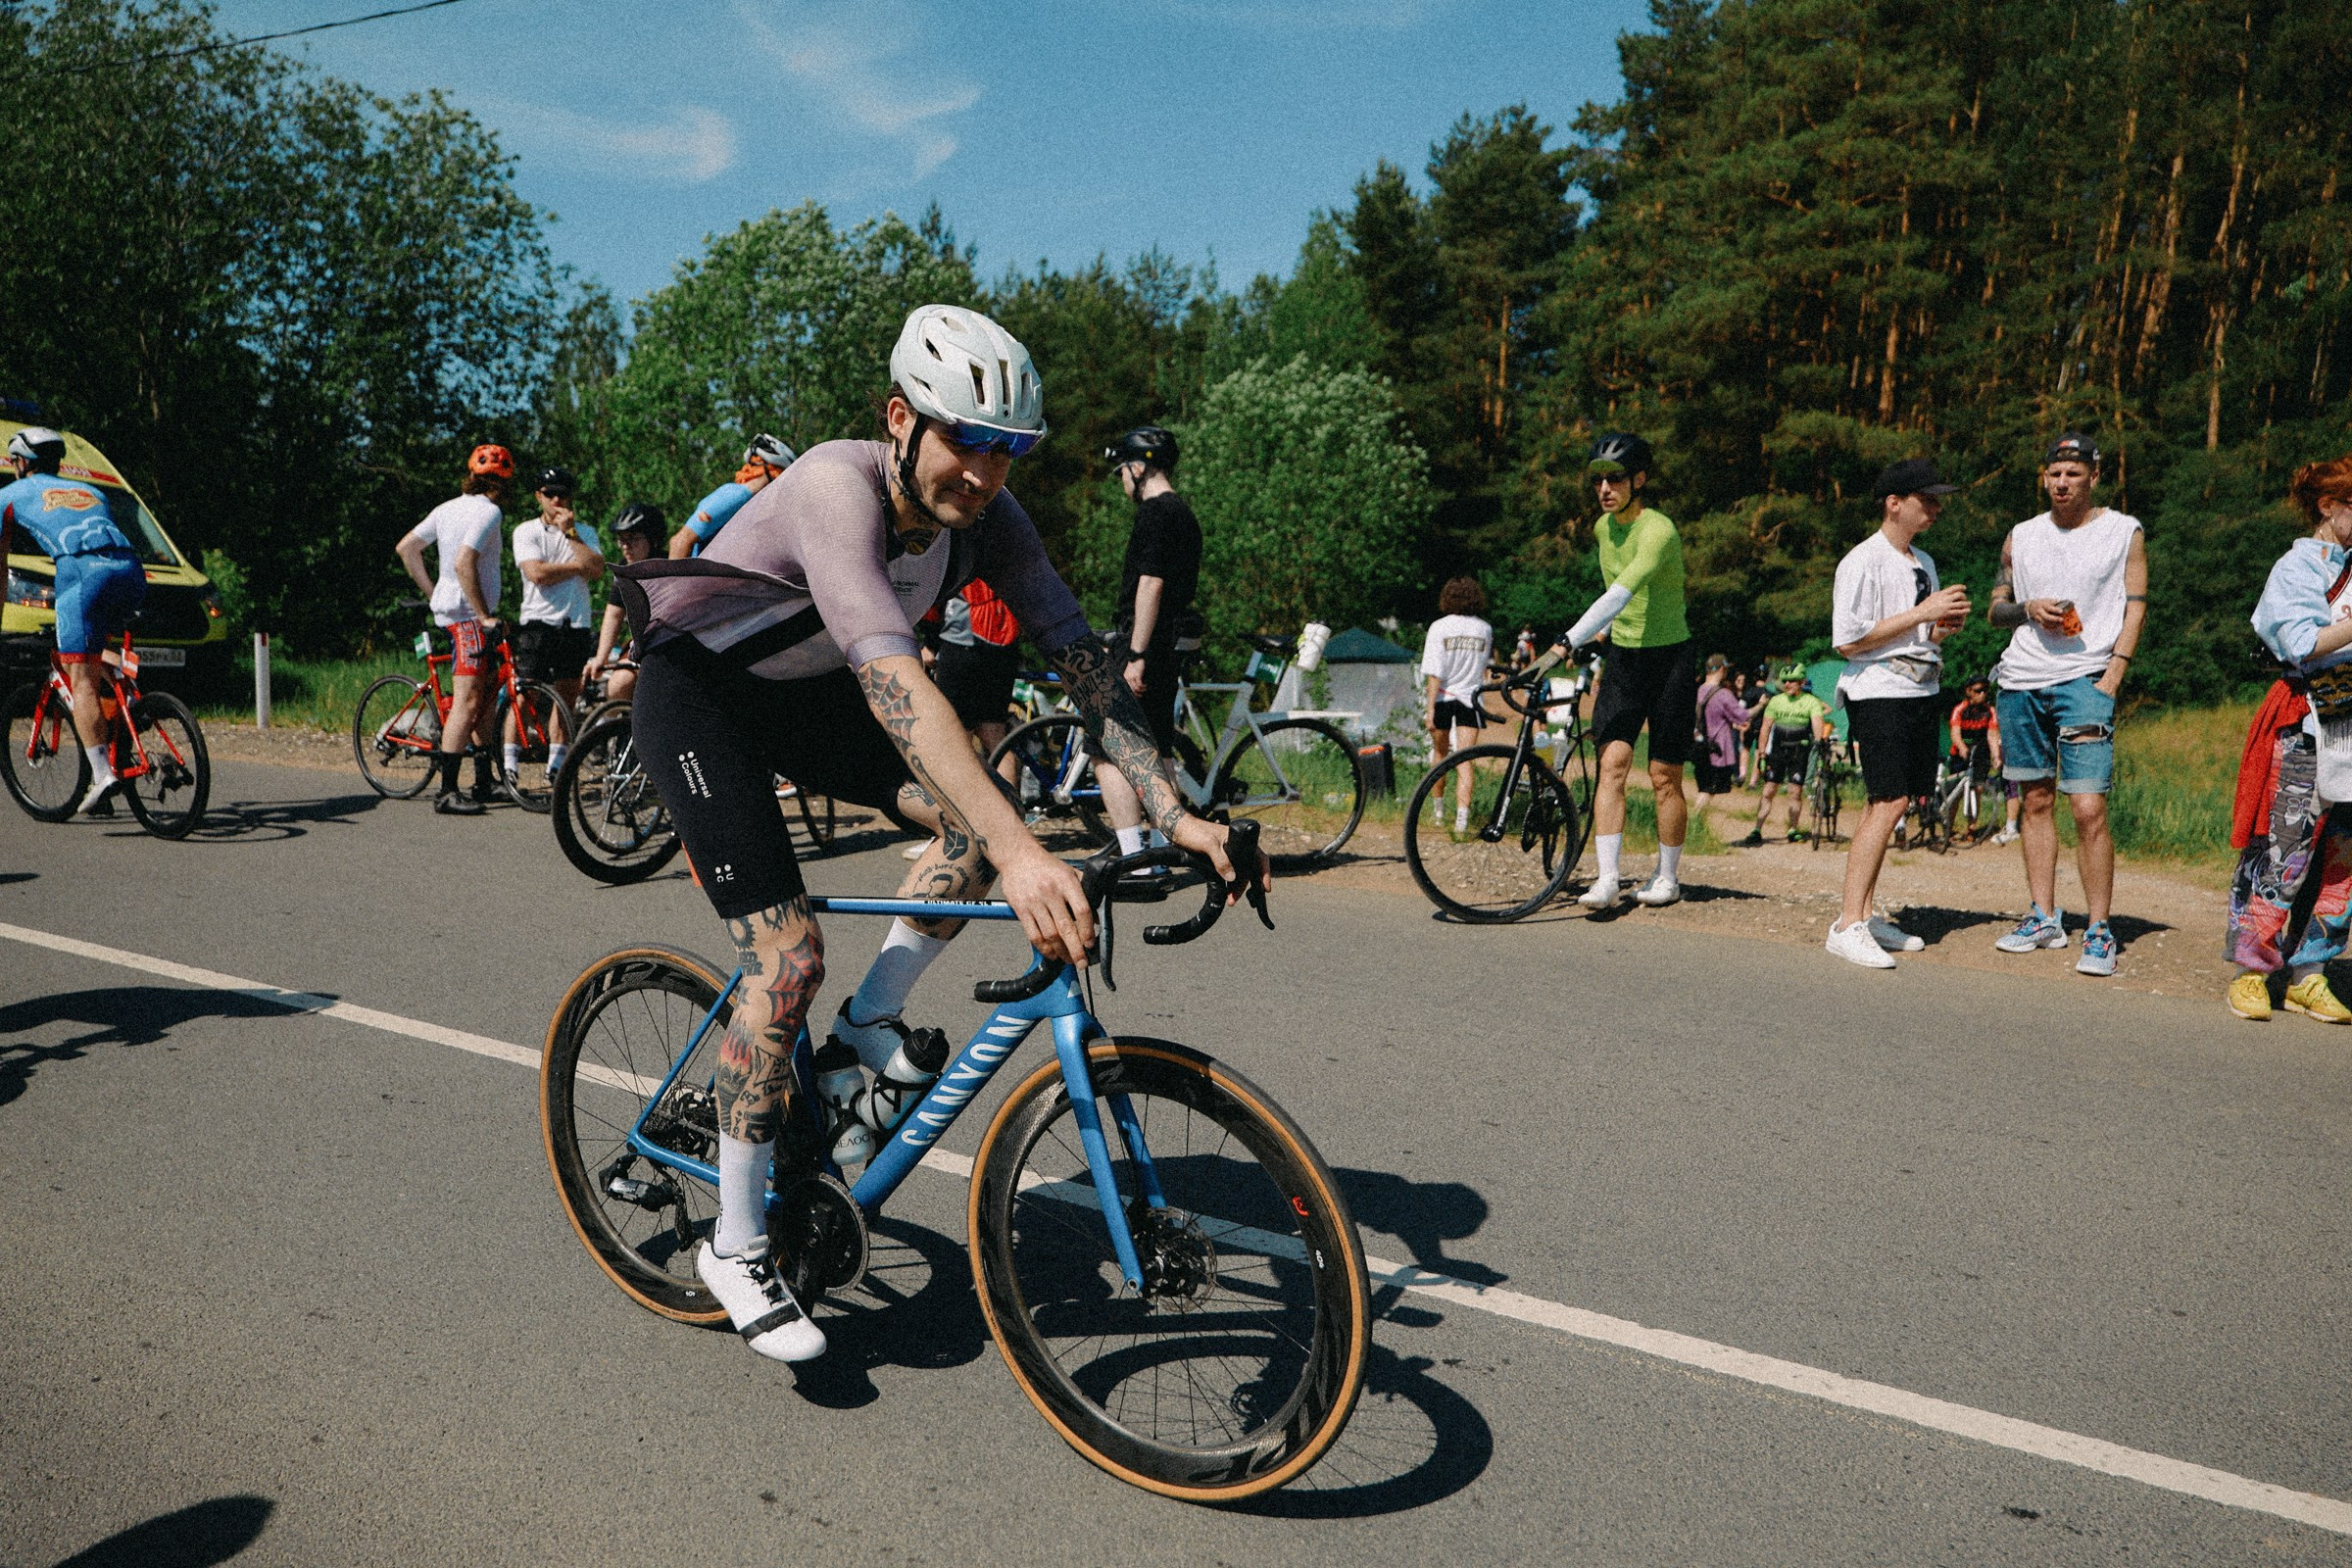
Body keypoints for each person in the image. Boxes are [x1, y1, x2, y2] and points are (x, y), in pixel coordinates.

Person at [614, 304, 1253, 1364]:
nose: (986, 473)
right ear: (901, 419)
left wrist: (1181, 813)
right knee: (786, 957)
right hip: (704, 700)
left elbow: (1086, 665)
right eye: (967, 440)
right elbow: (897, 681)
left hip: (808, 703)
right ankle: (733, 1245)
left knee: (970, 824)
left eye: (1010, 452)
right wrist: (1021, 851)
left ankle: (871, 1021)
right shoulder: (833, 485)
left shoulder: (990, 522)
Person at [1985, 433, 2147, 977]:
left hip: (2086, 680)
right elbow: (1996, 610)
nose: (2061, 483)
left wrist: (2113, 677)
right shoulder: (2020, 536)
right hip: (2022, 679)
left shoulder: (2123, 531)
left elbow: (2137, 604)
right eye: (2054, 473)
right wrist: (2027, 607)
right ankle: (2044, 917)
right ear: (2044, 476)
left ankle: (2099, 928)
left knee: (2087, 808)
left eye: (2073, 474)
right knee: (2034, 801)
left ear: (2094, 477)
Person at [1824, 459, 1971, 968]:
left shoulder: (1923, 562)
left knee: (1893, 801)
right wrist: (1923, 614)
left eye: (1937, 499)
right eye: (1925, 499)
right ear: (1893, 502)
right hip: (1878, 690)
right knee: (1887, 802)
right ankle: (1847, 924)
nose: (1935, 508)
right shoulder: (1860, 561)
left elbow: (1918, 633)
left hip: (1920, 688)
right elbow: (1847, 640)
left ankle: (1864, 914)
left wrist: (1940, 627)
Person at [1543, 433, 1694, 908]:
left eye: (1616, 478)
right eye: (1599, 480)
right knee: (1612, 764)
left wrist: (1570, 637)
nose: (1605, 487)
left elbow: (1620, 593)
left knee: (1664, 775)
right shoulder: (1603, 530)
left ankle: (1667, 877)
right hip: (1625, 658)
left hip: (1670, 658)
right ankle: (1607, 878)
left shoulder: (1659, 530)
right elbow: (1613, 603)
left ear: (1640, 480)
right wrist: (1599, 635)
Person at [2227, 455, 2352, 1022]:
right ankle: (2253, 970)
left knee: (2345, 854)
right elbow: (2301, 641)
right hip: (2309, 717)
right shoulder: (2298, 567)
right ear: (2330, 506)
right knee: (2287, 846)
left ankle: (2311, 972)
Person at [0, 426, 146, 813]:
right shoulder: (93, 492)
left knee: (78, 674)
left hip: (81, 573)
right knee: (99, 655)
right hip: (131, 569)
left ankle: (102, 775)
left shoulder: (8, 496)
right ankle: (130, 700)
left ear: (21, 463)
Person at [1094, 424, 1201, 858]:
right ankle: (1162, 848)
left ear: (1139, 467)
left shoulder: (1155, 513)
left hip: (1145, 644)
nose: (1122, 478)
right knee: (1157, 753)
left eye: (1122, 468)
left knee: (1108, 750)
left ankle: (1136, 858)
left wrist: (1134, 654)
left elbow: (1150, 585)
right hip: (1169, 645)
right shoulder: (1185, 515)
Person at [395, 445, 512, 815]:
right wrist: (483, 615)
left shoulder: (446, 508)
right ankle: (446, 791)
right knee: (469, 701)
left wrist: (434, 594)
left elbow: (407, 548)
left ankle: (483, 780)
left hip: (455, 612)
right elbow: (465, 564)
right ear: (503, 484)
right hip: (468, 617)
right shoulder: (490, 512)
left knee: (487, 695)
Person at [509, 465, 603, 778]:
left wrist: (571, 534)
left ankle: (556, 766)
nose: (558, 500)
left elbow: (596, 569)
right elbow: (536, 574)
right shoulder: (526, 531)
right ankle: (509, 763)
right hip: (538, 620)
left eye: (563, 494)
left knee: (566, 696)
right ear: (539, 496)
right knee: (526, 694)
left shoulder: (584, 532)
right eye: (550, 494)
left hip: (574, 622)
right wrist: (575, 568)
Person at [1420, 576, 1494, 833]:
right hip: (1471, 697)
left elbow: (1434, 672)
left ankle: (1438, 813)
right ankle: (1462, 820)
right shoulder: (1485, 629)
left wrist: (1429, 709)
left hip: (1443, 696)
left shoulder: (1439, 627)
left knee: (1440, 755)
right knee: (1466, 759)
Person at [931, 575, 1022, 764]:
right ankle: (1008, 795)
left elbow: (932, 595)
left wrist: (929, 643)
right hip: (1005, 644)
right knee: (996, 736)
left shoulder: (960, 547)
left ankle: (958, 794)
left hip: (964, 640)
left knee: (954, 737)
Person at [582, 502, 665, 704]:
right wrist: (601, 659)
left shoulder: (668, 565)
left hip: (668, 644)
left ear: (653, 540)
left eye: (633, 539)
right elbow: (613, 614)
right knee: (619, 684)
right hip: (640, 644)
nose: (625, 546)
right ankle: (619, 730)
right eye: (621, 540)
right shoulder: (623, 570)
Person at [666, 433, 796, 559]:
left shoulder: (751, 506)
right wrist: (674, 581)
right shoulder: (736, 494)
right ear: (770, 472)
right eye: (779, 477)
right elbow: (680, 542)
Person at [1741, 667, 1830, 844]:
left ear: (1802, 682)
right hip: (1778, 750)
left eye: (1792, 680)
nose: (1787, 684)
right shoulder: (1776, 701)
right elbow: (1765, 728)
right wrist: (1761, 752)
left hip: (1799, 750)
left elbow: (1817, 725)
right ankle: (1757, 829)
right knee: (1768, 791)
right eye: (1785, 681)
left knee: (1795, 792)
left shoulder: (1811, 702)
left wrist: (1820, 743)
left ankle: (1793, 829)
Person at [1690, 654, 1748, 837]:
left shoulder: (1698, 690)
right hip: (1717, 750)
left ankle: (1696, 826)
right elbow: (1741, 716)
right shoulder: (1723, 694)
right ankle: (1693, 824)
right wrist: (1761, 705)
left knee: (1704, 787)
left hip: (1699, 747)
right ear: (1722, 669)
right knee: (1709, 789)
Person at [1946, 676, 2003, 833]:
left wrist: (1996, 756)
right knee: (1955, 793)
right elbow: (1955, 734)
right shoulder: (1960, 709)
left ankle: (1972, 827)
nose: (1982, 694)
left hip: (1980, 754)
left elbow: (1992, 736)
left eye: (1985, 691)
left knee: (1977, 789)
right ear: (1969, 691)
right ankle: (1948, 826)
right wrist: (1962, 747)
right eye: (1978, 691)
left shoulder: (1989, 711)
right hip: (1960, 754)